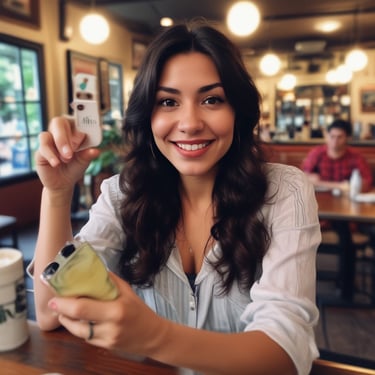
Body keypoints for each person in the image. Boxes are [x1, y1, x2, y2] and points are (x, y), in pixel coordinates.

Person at [31, 23, 320, 375]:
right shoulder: (122, 194)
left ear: (238, 112)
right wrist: (57, 192)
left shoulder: (284, 191)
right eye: (168, 102)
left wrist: (155, 337)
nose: (189, 123)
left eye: (212, 99)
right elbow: (48, 312)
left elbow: (285, 354)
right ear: (147, 115)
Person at [301, 119, 373, 193]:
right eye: (332, 136)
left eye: (339, 137)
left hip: (345, 200)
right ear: (327, 136)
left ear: (348, 138)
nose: (335, 141)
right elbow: (302, 177)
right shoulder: (317, 153)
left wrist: (319, 183)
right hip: (320, 199)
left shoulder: (355, 156)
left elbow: (367, 181)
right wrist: (341, 186)